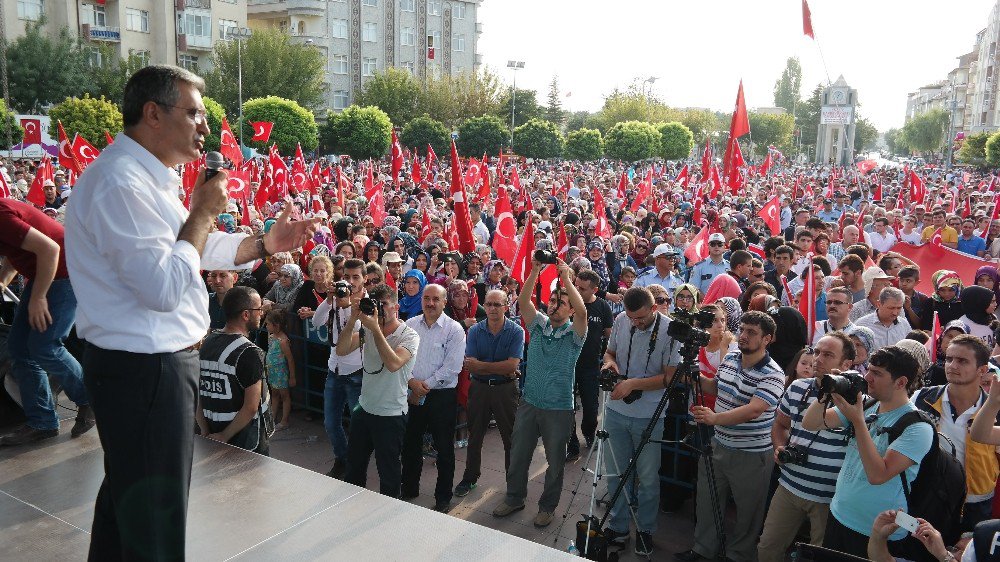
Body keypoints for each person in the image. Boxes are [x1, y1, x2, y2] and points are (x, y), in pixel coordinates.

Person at [64, 65, 318, 560]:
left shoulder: (144, 177)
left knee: (127, 509)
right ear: (153, 113)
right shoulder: (121, 184)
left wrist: (265, 242)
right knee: (154, 520)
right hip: (144, 371)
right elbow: (163, 284)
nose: (206, 125)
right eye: (195, 112)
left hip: (142, 368)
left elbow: (192, 247)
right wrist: (202, 210)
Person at [802, 345, 933, 558]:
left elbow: (877, 475)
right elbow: (811, 422)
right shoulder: (869, 405)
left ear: (901, 382)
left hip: (878, 532)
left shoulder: (918, 427)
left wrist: (858, 421)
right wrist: (827, 392)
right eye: (869, 370)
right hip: (839, 514)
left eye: (877, 374)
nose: (868, 377)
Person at [677, 311, 785, 562]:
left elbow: (754, 409)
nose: (744, 336)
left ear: (767, 339)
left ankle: (737, 556)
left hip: (751, 454)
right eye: (743, 330)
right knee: (707, 501)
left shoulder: (773, 372)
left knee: (748, 513)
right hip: (718, 445)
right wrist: (694, 375)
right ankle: (704, 549)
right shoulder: (732, 356)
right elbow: (715, 386)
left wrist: (714, 419)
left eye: (752, 332)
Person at [492, 258, 587, 529]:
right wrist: (535, 271)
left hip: (558, 408)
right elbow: (523, 303)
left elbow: (582, 313)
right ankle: (514, 498)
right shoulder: (539, 325)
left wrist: (566, 279)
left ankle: (547, 507)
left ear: (569, 309)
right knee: (519, 453)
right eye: (553, 299)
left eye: (562, 302)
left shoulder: (575, 332)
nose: (555, 304)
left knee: (555, 461)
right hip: (529, 402)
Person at [0, 197, 94, 445]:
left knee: (45, 346)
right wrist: (1, 281)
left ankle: (90, 400)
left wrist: (38, 297)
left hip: (64, 273)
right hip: (48, 273)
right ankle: (41, 422)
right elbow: (14, 251)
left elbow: (50, 249)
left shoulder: (1, 214)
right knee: (19, 349)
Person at [757, 332, 856, 562]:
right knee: (767, 548)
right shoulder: (797, 387)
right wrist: (780, 447)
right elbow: (780, 424)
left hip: (828, 499)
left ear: (846, 364)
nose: (817, 359)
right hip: (789, 487)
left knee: (819, 557)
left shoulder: (856, 399)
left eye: (828, 355)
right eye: (817, 352)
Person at [600, 286, 681, 556]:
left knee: (647, 479)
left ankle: (645, 530)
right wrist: (609, 364)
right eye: (631, 317)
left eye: (641, 319)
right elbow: (610, 352)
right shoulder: (622, 320)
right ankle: (619, 526)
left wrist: (634, 383)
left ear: (655, 309)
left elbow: (671, 377)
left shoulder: (672, 331)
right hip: (615, 411)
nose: (635, 323)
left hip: (650, 414)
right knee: (616, 475)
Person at [336, 283, 419, 497]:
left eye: (385, 305)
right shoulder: (366, 328)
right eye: (376, 305)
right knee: (354, 468)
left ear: (396, 307)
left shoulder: (409, 336)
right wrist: (353, 318)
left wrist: (375, 329)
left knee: (388, 473)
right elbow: (342, 349)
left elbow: (393, 363)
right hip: (364, 408)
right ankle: (351, 507)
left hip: (390, 414)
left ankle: (387, 520)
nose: (380, 310)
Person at [916, 335, 1000, 531]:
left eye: (962, 361)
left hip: (977, 503)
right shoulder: (922, 398)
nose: (952, 365)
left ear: (983, 370)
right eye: (949, 359)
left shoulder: (995, 411)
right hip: (929, 496)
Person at [454, 289, 524, 498]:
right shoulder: (475, 331)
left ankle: (513, 483)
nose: (493, 309)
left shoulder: (516, 331)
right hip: (480, 388)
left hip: (506, 389)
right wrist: (499, 367)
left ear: (505, 307)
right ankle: (470, 477)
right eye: (489, 304)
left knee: (510, 437)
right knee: (475, 436)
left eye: (497, 304)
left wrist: (483, 366)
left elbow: (512, 365)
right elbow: (470, 366)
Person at [401, 283, 465, 512]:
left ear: (444, 302)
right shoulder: (409, 326)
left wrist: (422, 386)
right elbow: (401, 358)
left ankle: (443, 497)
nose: (430, 303)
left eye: (435, 299)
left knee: (444, 449)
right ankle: (408, 488)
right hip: (413, 392)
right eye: (426, 298)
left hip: (441, 396)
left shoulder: (454, 330)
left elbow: (452, 368)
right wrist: (411, 383)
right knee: (410, 444)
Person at [196, 286, 271, 454]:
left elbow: (197, 394)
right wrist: (224, 436)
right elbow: (251, 406)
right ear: (245, 315)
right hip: (245, 442)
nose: (261, 313)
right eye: (258, 309)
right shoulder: (249, 352)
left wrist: (205, 430)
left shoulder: (207, 343)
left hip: (211, 434)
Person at [313, 258, 365, 478]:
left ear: (364, 280)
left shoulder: (367, 304)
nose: (350, 282)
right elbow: (316, 322)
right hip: (334, 371)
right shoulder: (334, 299)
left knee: (357, 425)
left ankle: (355, 464)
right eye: (346, 277)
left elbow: (358, 334)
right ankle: (342, 458)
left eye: (355, 277)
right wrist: (329, 300)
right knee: (331, 423)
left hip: (356, 373)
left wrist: (349, 309)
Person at [566, 269, 614, 462]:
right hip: (568, 364)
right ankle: (571, 444)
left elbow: (610, 335)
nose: (577, 290)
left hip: (590, 366)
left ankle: (589, 433)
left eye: (583, 288)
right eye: (576, 286)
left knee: (591, 407)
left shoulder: (602, 307)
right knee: (567, 407)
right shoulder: (568, 304)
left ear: (594, 289)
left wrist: (609, 357)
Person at [264, 309, 295, 430]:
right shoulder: (271, 337)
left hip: (281, 372)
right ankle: (272, 418)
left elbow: (290, 359)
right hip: (272, 372)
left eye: (268, 324)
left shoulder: (283, 341)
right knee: (274, 394)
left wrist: (292, 377)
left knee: (285, 396)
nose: (266, 326)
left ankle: (284, 420)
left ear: (276, 325)